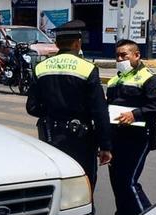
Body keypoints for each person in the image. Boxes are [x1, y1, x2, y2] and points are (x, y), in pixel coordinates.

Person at [26, 19, 112, 192]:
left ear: (57, 44)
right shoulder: (87, 68)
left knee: (55, 182)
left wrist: (52, 112)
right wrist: (105, 146)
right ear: (77, 43)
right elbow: (99, 111)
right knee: (82, 185)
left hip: (49, 135)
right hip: (80, 139)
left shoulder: (40, 67)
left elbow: (32, 107)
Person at [106, 39, 156, 215]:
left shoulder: (151, 79)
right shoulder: (115, 79)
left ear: (136, 55)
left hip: (138, 137)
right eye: (117, 55)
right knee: (118, 185)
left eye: (124, 55)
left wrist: (135, 114)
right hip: (116, 137)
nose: (120, 59)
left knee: (128, 182)